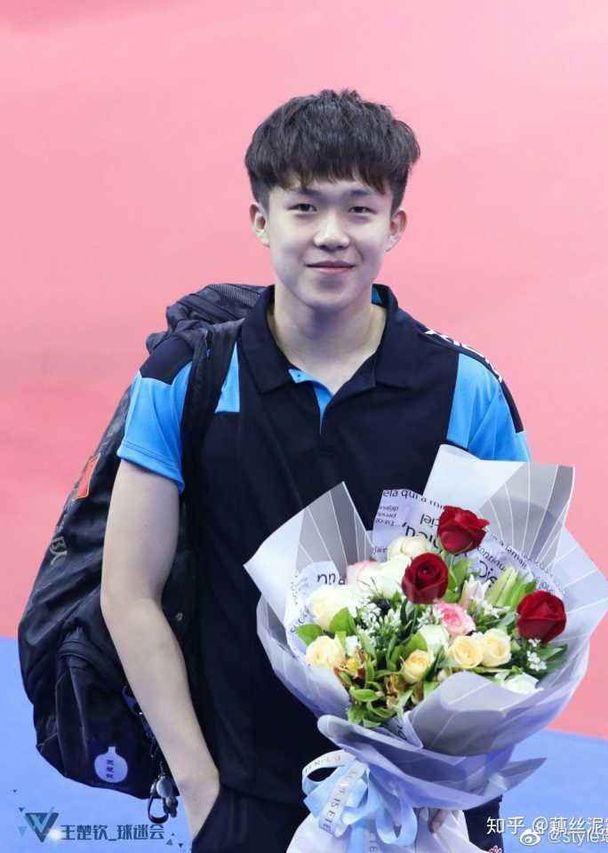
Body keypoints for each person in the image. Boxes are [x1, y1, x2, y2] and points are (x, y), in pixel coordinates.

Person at [101, 88, 527, 852]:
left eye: (359, 209)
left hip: (432, 800)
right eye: (303, 208)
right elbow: (129, 590)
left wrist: (463, 807)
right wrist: (201, 791)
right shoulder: (184, 378)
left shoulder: (468, 389)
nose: (332, 235)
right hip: (246, 796)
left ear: (395, 225)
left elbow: (515, 601)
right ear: (261, 220)